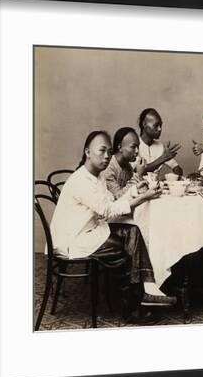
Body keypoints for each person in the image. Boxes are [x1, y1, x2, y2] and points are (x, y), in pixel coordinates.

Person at [50, 131, 177, 319]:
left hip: (89, 230)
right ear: (87, 152)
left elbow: (112, 202)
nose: (107, 156)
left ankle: (143, 294)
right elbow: (108, 211)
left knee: (132, 233)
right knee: (127, 246)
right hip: (73, 240)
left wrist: (135, 189)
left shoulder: (96, 176)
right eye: (102, 150)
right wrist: (142, 199)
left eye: (109, 151)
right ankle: (135, 304)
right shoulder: (81, 180)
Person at [136, 108, 183, 179]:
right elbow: (138, 170)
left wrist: (174, 179)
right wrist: (163, 158)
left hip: (155, 188)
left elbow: (177, 168)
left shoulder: (160, 146)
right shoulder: (134, 145)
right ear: (144, 124)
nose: (160, 129)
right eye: (156, 125)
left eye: (160, 125)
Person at [102, 127, 143, 199]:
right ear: (119, 147)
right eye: (133, 147)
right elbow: (118, 198)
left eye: (138, 146)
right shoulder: (108, 168)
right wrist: (138, 175)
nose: (137, 151)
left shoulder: (128, 167)